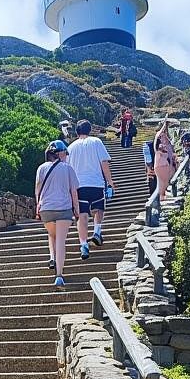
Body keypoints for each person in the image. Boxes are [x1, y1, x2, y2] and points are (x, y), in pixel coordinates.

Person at [35, 140, 80, 289]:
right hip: (64, 208)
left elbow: (37, 190)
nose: (66, 156)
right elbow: (74, 192)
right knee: (60, 240)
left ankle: (52, 257)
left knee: (52, 234)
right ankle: (59, 275)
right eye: (65, 153)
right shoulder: (68, 168)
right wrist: (77, 210)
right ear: (60, 154)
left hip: (46, 209)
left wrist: (38, 206)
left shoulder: (41, 168)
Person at [67, 118, 115, 259]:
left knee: (81, 215)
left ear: (77, 132)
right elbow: (104, 163)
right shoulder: (96, 142)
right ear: (90, 130)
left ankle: (83, 245)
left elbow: (68, 169)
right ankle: (97, 231)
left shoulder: (71, 148)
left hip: (78, 186)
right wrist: (110, 182)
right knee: (98, 209)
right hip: (96, 183)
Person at [153, 118, 178, 205]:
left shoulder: (166, 143)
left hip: (167, 165)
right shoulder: (158, 145)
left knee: (165, 182)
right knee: (162, 183)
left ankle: (162, 197)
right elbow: (159, 134)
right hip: (161, 165)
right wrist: (164, 124)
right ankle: (161, 198)